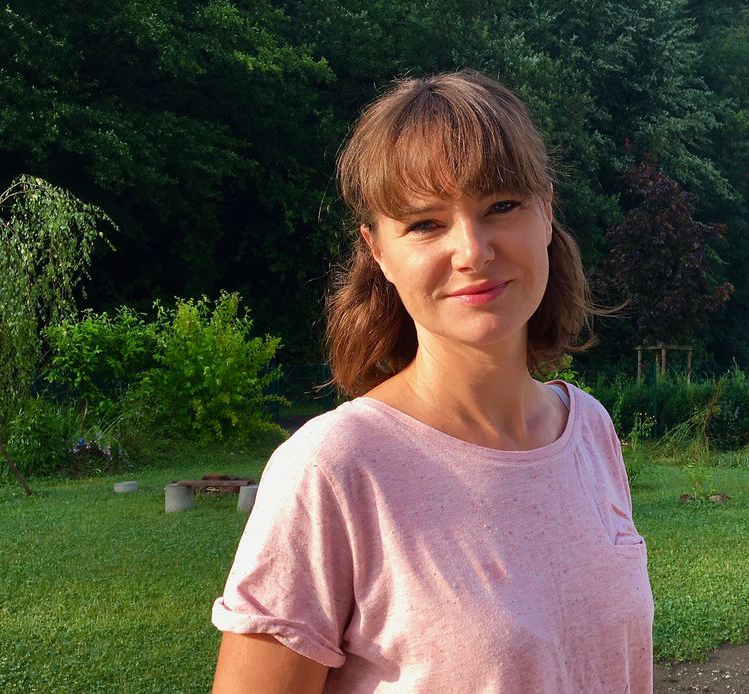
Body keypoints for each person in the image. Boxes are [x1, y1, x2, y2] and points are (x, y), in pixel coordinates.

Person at [211, 70, 653, 693]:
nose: (472, 251)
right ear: (379, 252)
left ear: (547, 213)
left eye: (501, 206)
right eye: (425, 223)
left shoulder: (589, 431)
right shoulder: (332, 469)